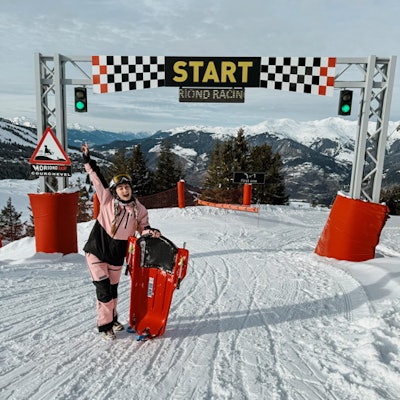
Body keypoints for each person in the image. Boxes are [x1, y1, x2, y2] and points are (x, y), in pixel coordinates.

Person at [81, 143, 160, 340]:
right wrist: (87, 160)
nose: (125, 191)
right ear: (115, 191)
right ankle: (105, 325)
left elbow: (144, 226)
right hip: (96, 250)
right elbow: (97, 179)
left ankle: (114, 319)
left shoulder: (138, 209)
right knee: (104, 290)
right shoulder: (107, 200)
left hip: (117, 254)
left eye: (127, 187)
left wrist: (150, 232)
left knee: (113, 290)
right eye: (121, 188)